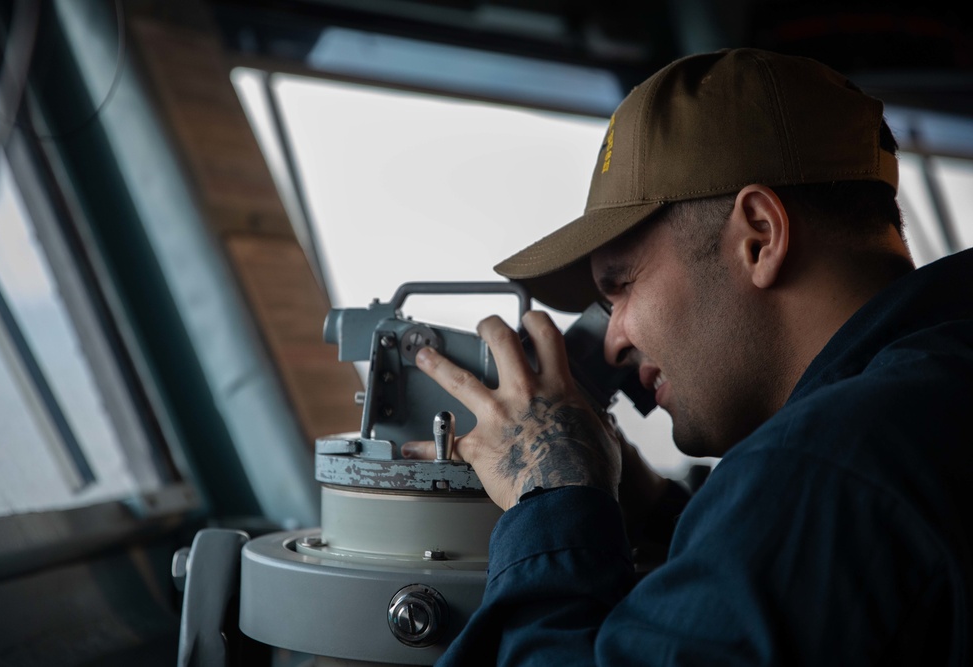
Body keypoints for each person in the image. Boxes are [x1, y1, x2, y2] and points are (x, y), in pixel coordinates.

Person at [401, 47, 972, 665]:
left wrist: (552, 497)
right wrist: (640, 504)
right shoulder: (936, 390)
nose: (614, 341)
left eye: (620, 286)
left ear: (759, 236)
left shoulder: (829, 467)